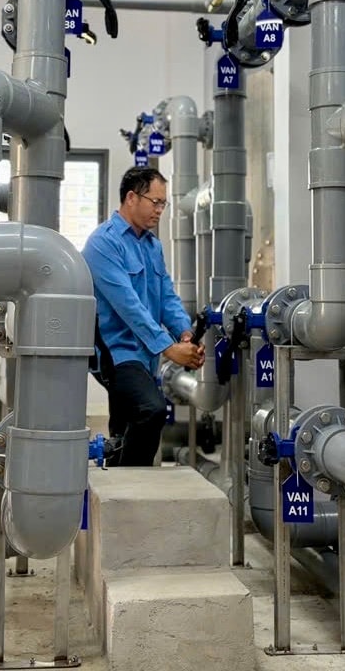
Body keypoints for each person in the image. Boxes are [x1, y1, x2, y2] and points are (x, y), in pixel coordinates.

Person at [83, 166, 205, 467]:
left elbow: (167, 297)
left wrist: (184, 333)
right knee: (151, 409)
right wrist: (169, 348)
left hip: (145, 355)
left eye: (164, 203)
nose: (160, 210)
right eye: (155, 202)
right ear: (131, 198)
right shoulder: (103, 243)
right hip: (116, 353)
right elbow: (129, 307)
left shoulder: (152, 246)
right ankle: (133, 482)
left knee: (126, 429)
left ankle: (118, 479)